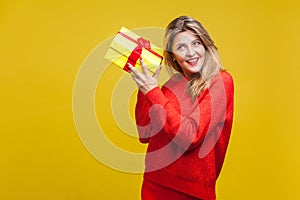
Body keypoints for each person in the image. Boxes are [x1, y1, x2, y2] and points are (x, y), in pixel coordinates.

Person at [128, 16, 234, 200]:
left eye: (196, 43)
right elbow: (145, 134)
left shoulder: (220, 82)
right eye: (181, 47)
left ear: (206, 46)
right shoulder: (172, 84)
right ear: (174, 56)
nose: (191, 52)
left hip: (192, 192)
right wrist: (144, 87)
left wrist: (152, 91)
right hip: (155, 184)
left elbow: (190, 136)